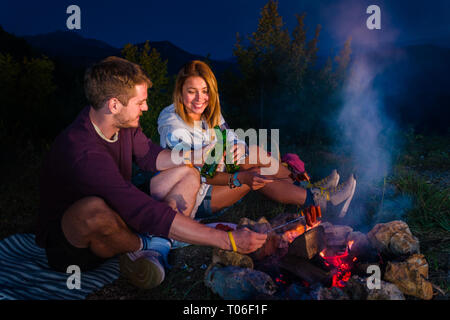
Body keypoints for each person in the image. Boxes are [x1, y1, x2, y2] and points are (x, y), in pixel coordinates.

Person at [36, 56, 267, 290]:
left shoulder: (122, 125)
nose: (146, 108)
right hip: (75, 246)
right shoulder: (83, 151)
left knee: (187, 173)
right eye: (140, 102)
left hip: (120, 207)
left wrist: (195, 157)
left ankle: (154, 245)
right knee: (92, 211)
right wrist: (226, 240)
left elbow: (151, 157)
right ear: (114, 105)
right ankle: (147, 246)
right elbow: (137, 208)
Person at [157, 60, 356, 222]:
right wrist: (231, 166)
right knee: (255, 169)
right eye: (192, 91)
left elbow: (232, 139)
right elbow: (200, 174)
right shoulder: (172, 127)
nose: (200, 98)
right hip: (196, 198)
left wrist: (234, 150)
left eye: (205, 90)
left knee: (255, 158)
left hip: (217, 175)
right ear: (180, 93)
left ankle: (311, 192)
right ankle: (317, 195)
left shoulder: (209, 113)